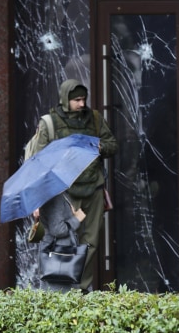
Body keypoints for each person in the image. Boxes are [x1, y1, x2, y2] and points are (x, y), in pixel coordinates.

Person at [31, 79, 117, 292]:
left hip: (93, 189)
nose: (81, 104)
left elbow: (112, 145)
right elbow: (37, 160)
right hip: (65, 193)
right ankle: (64, 291)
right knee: (64, 240)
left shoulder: (95, 119)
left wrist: (97, 145)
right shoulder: (50, 124)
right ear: (65, 99)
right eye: (76, 100)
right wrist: (37, 199)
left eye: (83, 99)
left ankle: (80, 289)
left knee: (91, 242)